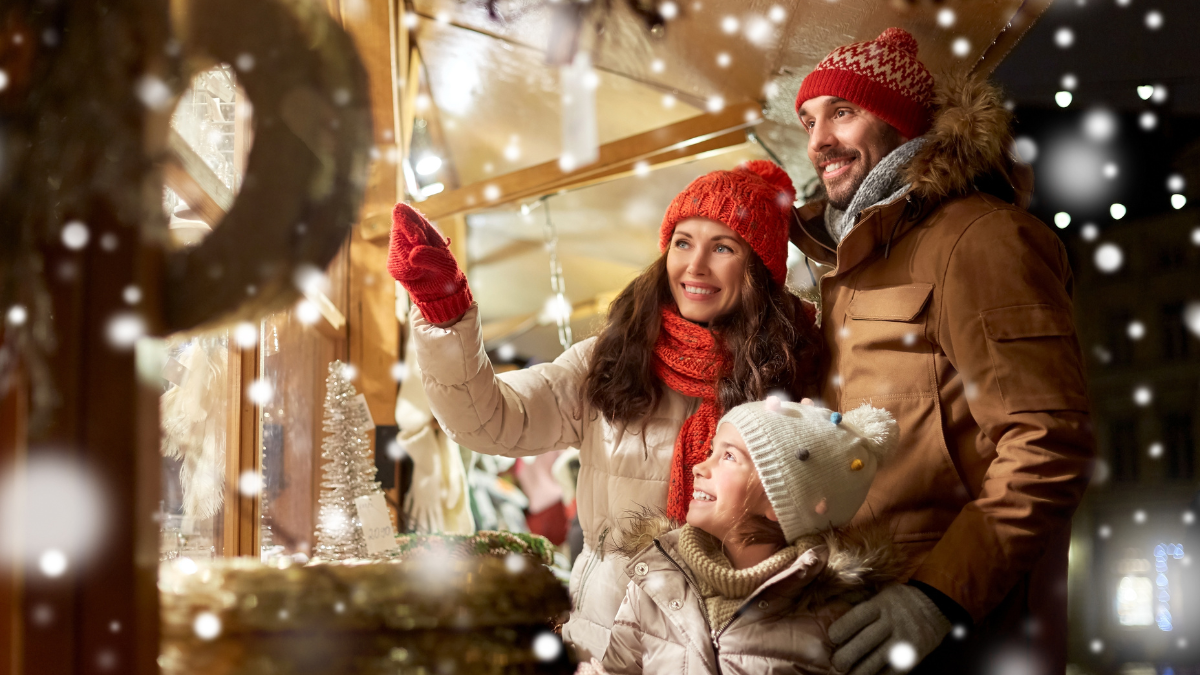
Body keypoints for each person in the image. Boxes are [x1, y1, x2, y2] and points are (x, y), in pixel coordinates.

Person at [386, 160, 824, 661]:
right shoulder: (613, 357)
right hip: (607, 638)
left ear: (759, 268)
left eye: (722, 247)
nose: (694, 266)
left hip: (741, 643)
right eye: (683, 242)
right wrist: (446, 313)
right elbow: (493, 420)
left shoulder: (796, 368)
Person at [789, 27, 1094, 674]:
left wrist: (938, 596)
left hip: (964, 635)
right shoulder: (852, 263)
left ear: (901, 123)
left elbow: (1046, 440)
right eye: (809, 119)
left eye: (843, 112)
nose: (818, 141)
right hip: (861, 623)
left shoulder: (981, 238)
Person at [600, 397, 903, 674]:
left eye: (729, 456)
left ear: (779, 498)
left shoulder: (832, 616)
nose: (699, 467)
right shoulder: (655, 578)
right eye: (711, 451)